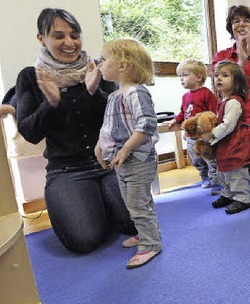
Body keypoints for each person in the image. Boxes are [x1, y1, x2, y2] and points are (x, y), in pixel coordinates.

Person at [15, 8, 136, 254]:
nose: (69, 43)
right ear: (42, 38)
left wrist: (94, 93)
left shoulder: (97, 68)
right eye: (59, 36)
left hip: (108, 163)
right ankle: (94, 203)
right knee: (84, 240)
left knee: (136, 222)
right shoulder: (31, 76)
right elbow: (30, 132)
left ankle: (103, 200)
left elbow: (120, 120)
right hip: (67, 171)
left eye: (75, 35)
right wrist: (51, 103)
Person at [95, 38, 163, 269]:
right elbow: (109, 126)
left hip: (137, 160)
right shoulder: (115, 94)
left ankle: (151, 243)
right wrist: (99, 146)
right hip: (123, 160)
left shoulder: (135, 92)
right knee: (131, 202)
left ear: (123, 65)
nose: (99, 64)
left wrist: (125, 148)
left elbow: (147, 124)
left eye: (103, 60)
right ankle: (144, 233)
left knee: (137, 203)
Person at [211, 5, 250, 180]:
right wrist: (240, 57)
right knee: (241, 175)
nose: (241, 24)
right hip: (236, 127)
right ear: (230, 27)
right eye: (236, 21)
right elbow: (226, 88)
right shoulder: (222, 56)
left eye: (246, 21)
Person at [202, 60, 250, 215]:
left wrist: (212, 134)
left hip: (236, 143)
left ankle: (242, 198)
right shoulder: (223, 101)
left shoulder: (233, 102)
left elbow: (228, 124)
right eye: (216, 75)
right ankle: (228, 193)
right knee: (223, 170)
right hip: (226, 143)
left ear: (237, 82)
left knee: (236, 172)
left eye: (225, 75)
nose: (218, 78)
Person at [167, 59, 220, 194]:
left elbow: (213, 113)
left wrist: (210, 130)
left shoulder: (206, 93)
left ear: (198, 77)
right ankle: (205, 177)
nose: (181, 79)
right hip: (190, 136)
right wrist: (175, 120)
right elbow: (183, 112)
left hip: (204, 136)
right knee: (196, 159)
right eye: (179, 76)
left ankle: (216, 182)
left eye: (184, 75)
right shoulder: (185, 96)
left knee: (210, 159)